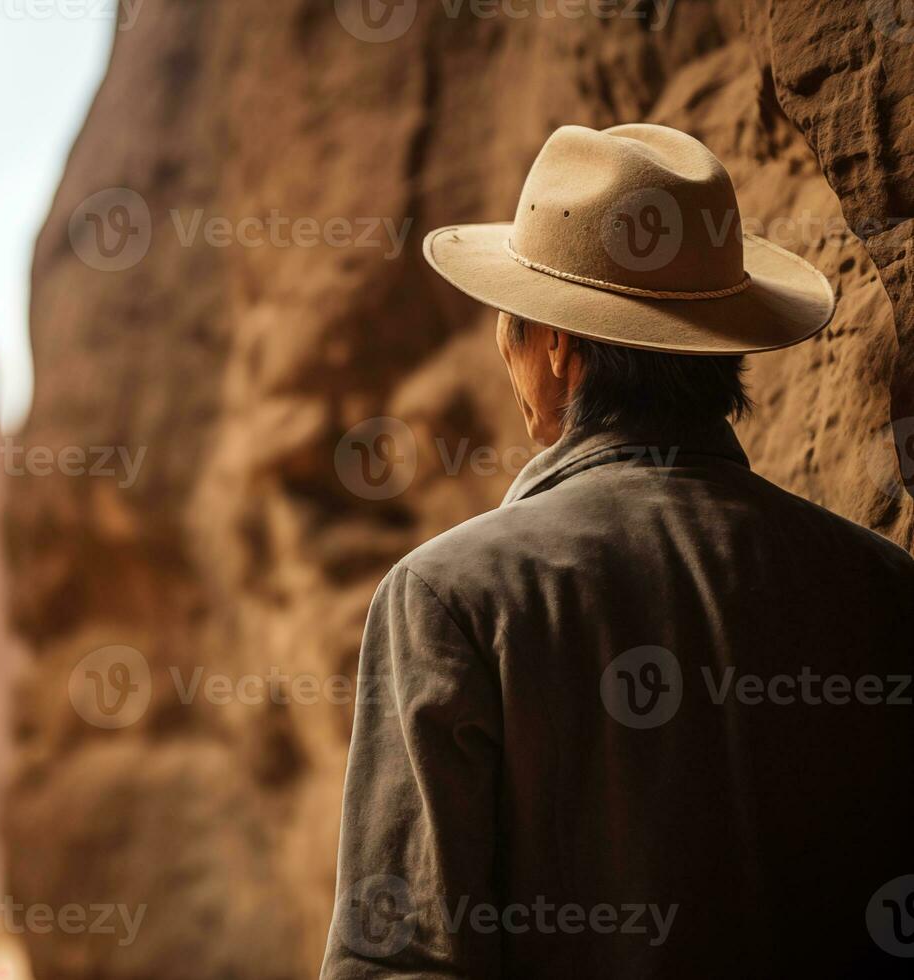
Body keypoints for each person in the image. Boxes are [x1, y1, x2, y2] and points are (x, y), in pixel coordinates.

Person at [319, 123, 914, 978]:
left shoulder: (451, 597)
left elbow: (401, 959)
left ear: (558, 344)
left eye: (511, 318)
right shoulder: (883, 587)